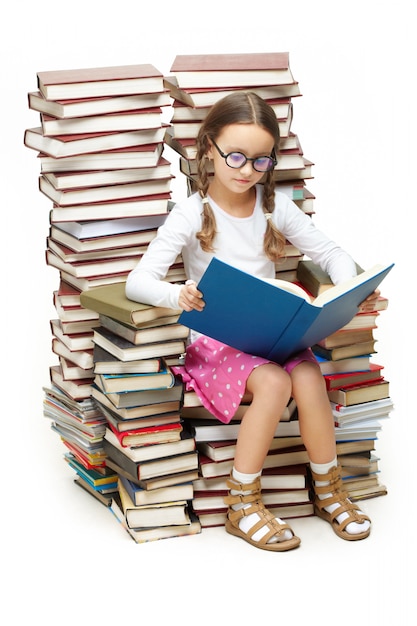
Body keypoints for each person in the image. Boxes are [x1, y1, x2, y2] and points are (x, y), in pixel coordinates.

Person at [126, 91, 378, 551]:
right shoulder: (190, 213)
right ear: (207, 149)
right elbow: (137, 281)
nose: (247, 171)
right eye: (236, 156)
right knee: (276, 384)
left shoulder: (273, 205)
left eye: (261, 161)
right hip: (218, 342)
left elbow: (332, 253)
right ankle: (242, 504)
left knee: (307, 376)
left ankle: (328, 489)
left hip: (271, 337)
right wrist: (176, 293)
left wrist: (343, 288)